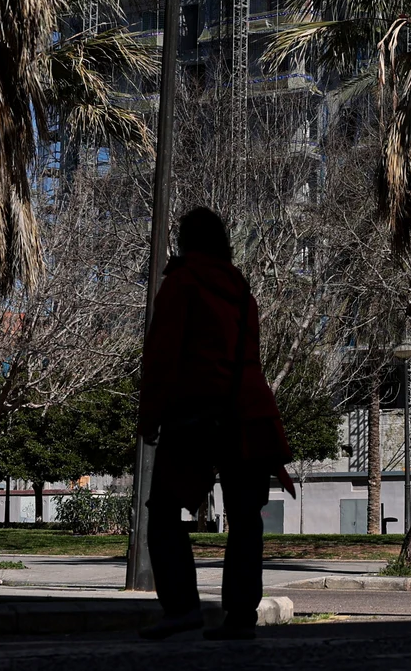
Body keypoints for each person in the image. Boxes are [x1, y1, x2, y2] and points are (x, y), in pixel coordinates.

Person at [137, 207, 295, 641]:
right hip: (249, 413)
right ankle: (241, 614)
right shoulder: (242, 292)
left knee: (165, 512)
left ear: (185, 241)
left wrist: (150, 416)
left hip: (197, 411)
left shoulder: (182, 283)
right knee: (247, 518)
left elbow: (162, 356)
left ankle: (182, 607)